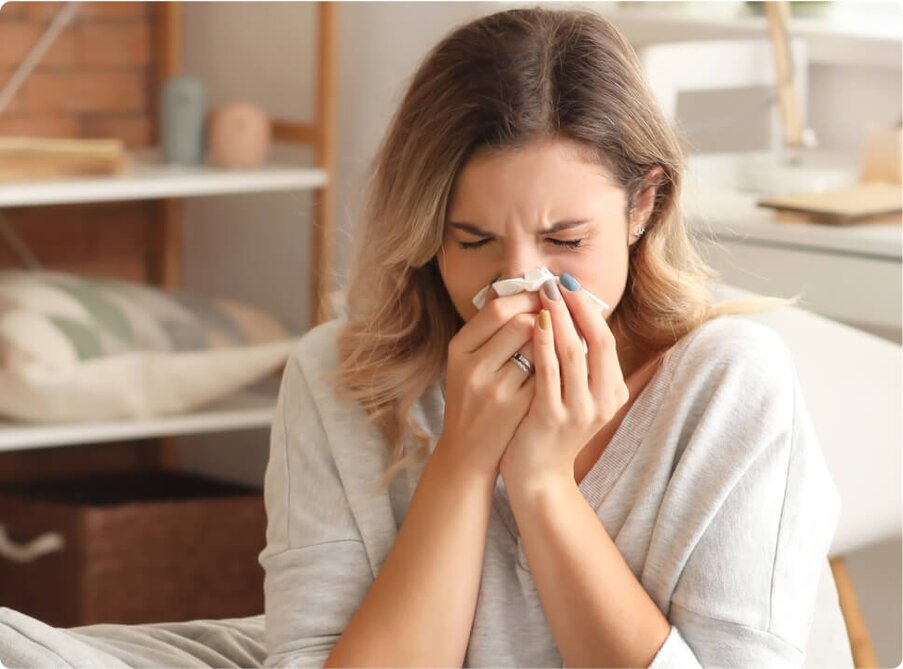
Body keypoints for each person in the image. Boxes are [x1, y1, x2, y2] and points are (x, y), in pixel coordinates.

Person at [258, 6, 842, 667]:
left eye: (564, 239)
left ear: (641, 206)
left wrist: (541, 483)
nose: (519, 281)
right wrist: (461, 462)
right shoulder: (339, 377)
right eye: (472, 239)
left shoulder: (728, 383)